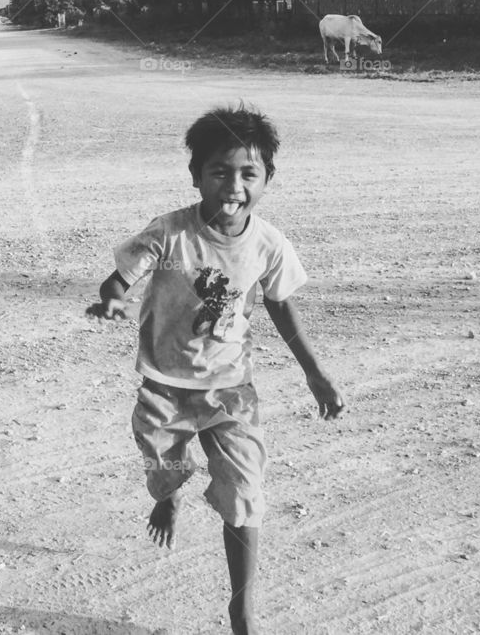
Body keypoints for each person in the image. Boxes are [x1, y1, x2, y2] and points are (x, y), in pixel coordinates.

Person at [86, 104, 346, 635]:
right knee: (163, 470)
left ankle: (243, 607)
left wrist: (314, 372)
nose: (234, 184)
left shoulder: (269, 244)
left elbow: (279, 306)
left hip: (232, 391)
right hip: (165, 387)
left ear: (267, 178)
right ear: (196, 175)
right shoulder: (169, 235)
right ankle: (170, 494)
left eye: (249, 173)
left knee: (244, 496)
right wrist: (112, 300)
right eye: (219, 171)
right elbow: (117, 281)